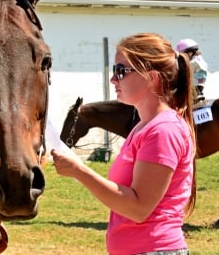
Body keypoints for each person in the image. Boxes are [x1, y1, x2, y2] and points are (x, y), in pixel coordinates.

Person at [51, 33, 196, 255]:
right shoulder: (143, 127)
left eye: (121, 71)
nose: (113, 79)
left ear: (152, 78)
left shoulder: (164, 130)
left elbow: (138, 209)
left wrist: (78, 171)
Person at [176, 38, 208, 102]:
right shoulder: (200, 60)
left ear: (190, 52)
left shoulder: (193, 63)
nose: (181, 58)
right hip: (198, 94)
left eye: (182, 55)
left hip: (191, 97)